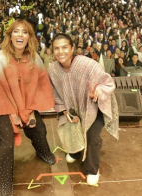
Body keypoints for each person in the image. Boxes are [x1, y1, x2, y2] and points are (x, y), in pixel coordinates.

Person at [0, 19, 56, 196]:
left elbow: (40, 85)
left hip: (26, 104)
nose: (20, 35)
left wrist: (30, 111)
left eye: (24, 32)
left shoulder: (34, 57)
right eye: (16, 31)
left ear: (29, 37)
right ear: (10, 36)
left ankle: (43, 152)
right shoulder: (0, 58)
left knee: (38, 128)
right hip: (3, 106)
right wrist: (13, 114)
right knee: (6, 140)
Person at [47, 33, 119, 186]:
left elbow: (108, 83)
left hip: (96, 105)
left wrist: (98, 91)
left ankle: (93, 169)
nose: (61, 52)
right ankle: (75, 151)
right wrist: (65, 111)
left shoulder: (88, 64)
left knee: (92, 135)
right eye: (56, 48)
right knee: (71, 127)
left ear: (72, 48)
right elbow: (53, 92)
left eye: (65, 47)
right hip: (72, 109)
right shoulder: (52, 69)